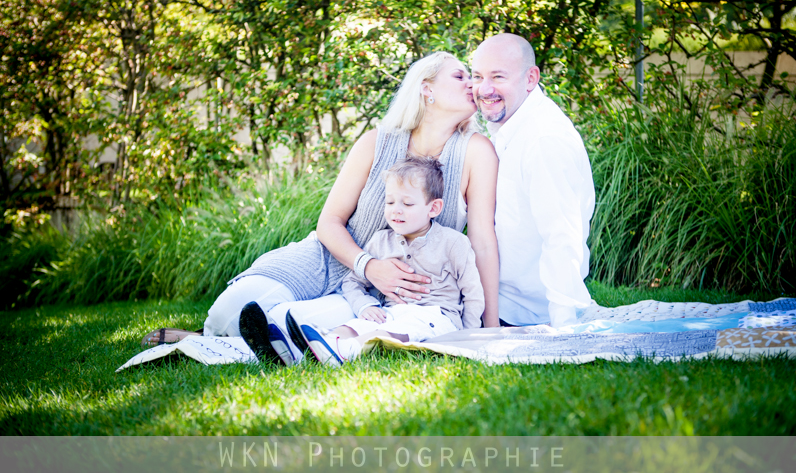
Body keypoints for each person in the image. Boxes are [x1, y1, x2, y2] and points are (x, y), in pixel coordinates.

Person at [142, 51, 500, 360]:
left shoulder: (476, 151)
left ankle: (216, 344)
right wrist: (369, 265)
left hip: (382, 298)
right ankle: (208, 338)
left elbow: (482, 241)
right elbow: (330, 221)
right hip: (328, 260)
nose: (472, 83)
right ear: (427, 88)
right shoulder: (377, 141)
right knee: (228, 313)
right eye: (460, 75)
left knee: (292, 323)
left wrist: (491, 328)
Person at [284, 157, 484, 366]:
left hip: (436, 318)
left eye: (407, 203)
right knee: (354, 327)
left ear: (433, 208)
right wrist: (365, 306)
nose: (396, 209)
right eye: (390, 202)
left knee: (385, 333)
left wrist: (466, 336)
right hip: (392, 313)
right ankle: (308, 349)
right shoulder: (381, 241)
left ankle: (341, 352)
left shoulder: (453, 243)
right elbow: (352, 282)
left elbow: (472, 293)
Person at [471, 33, 595, 329]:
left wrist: (563, 327)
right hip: (496, 300)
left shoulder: (543, 140)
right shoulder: (513, 126)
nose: (484, 89)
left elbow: (562, 236)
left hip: (525, 314)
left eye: (498, 77)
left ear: (530, 78)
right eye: (477, 76)